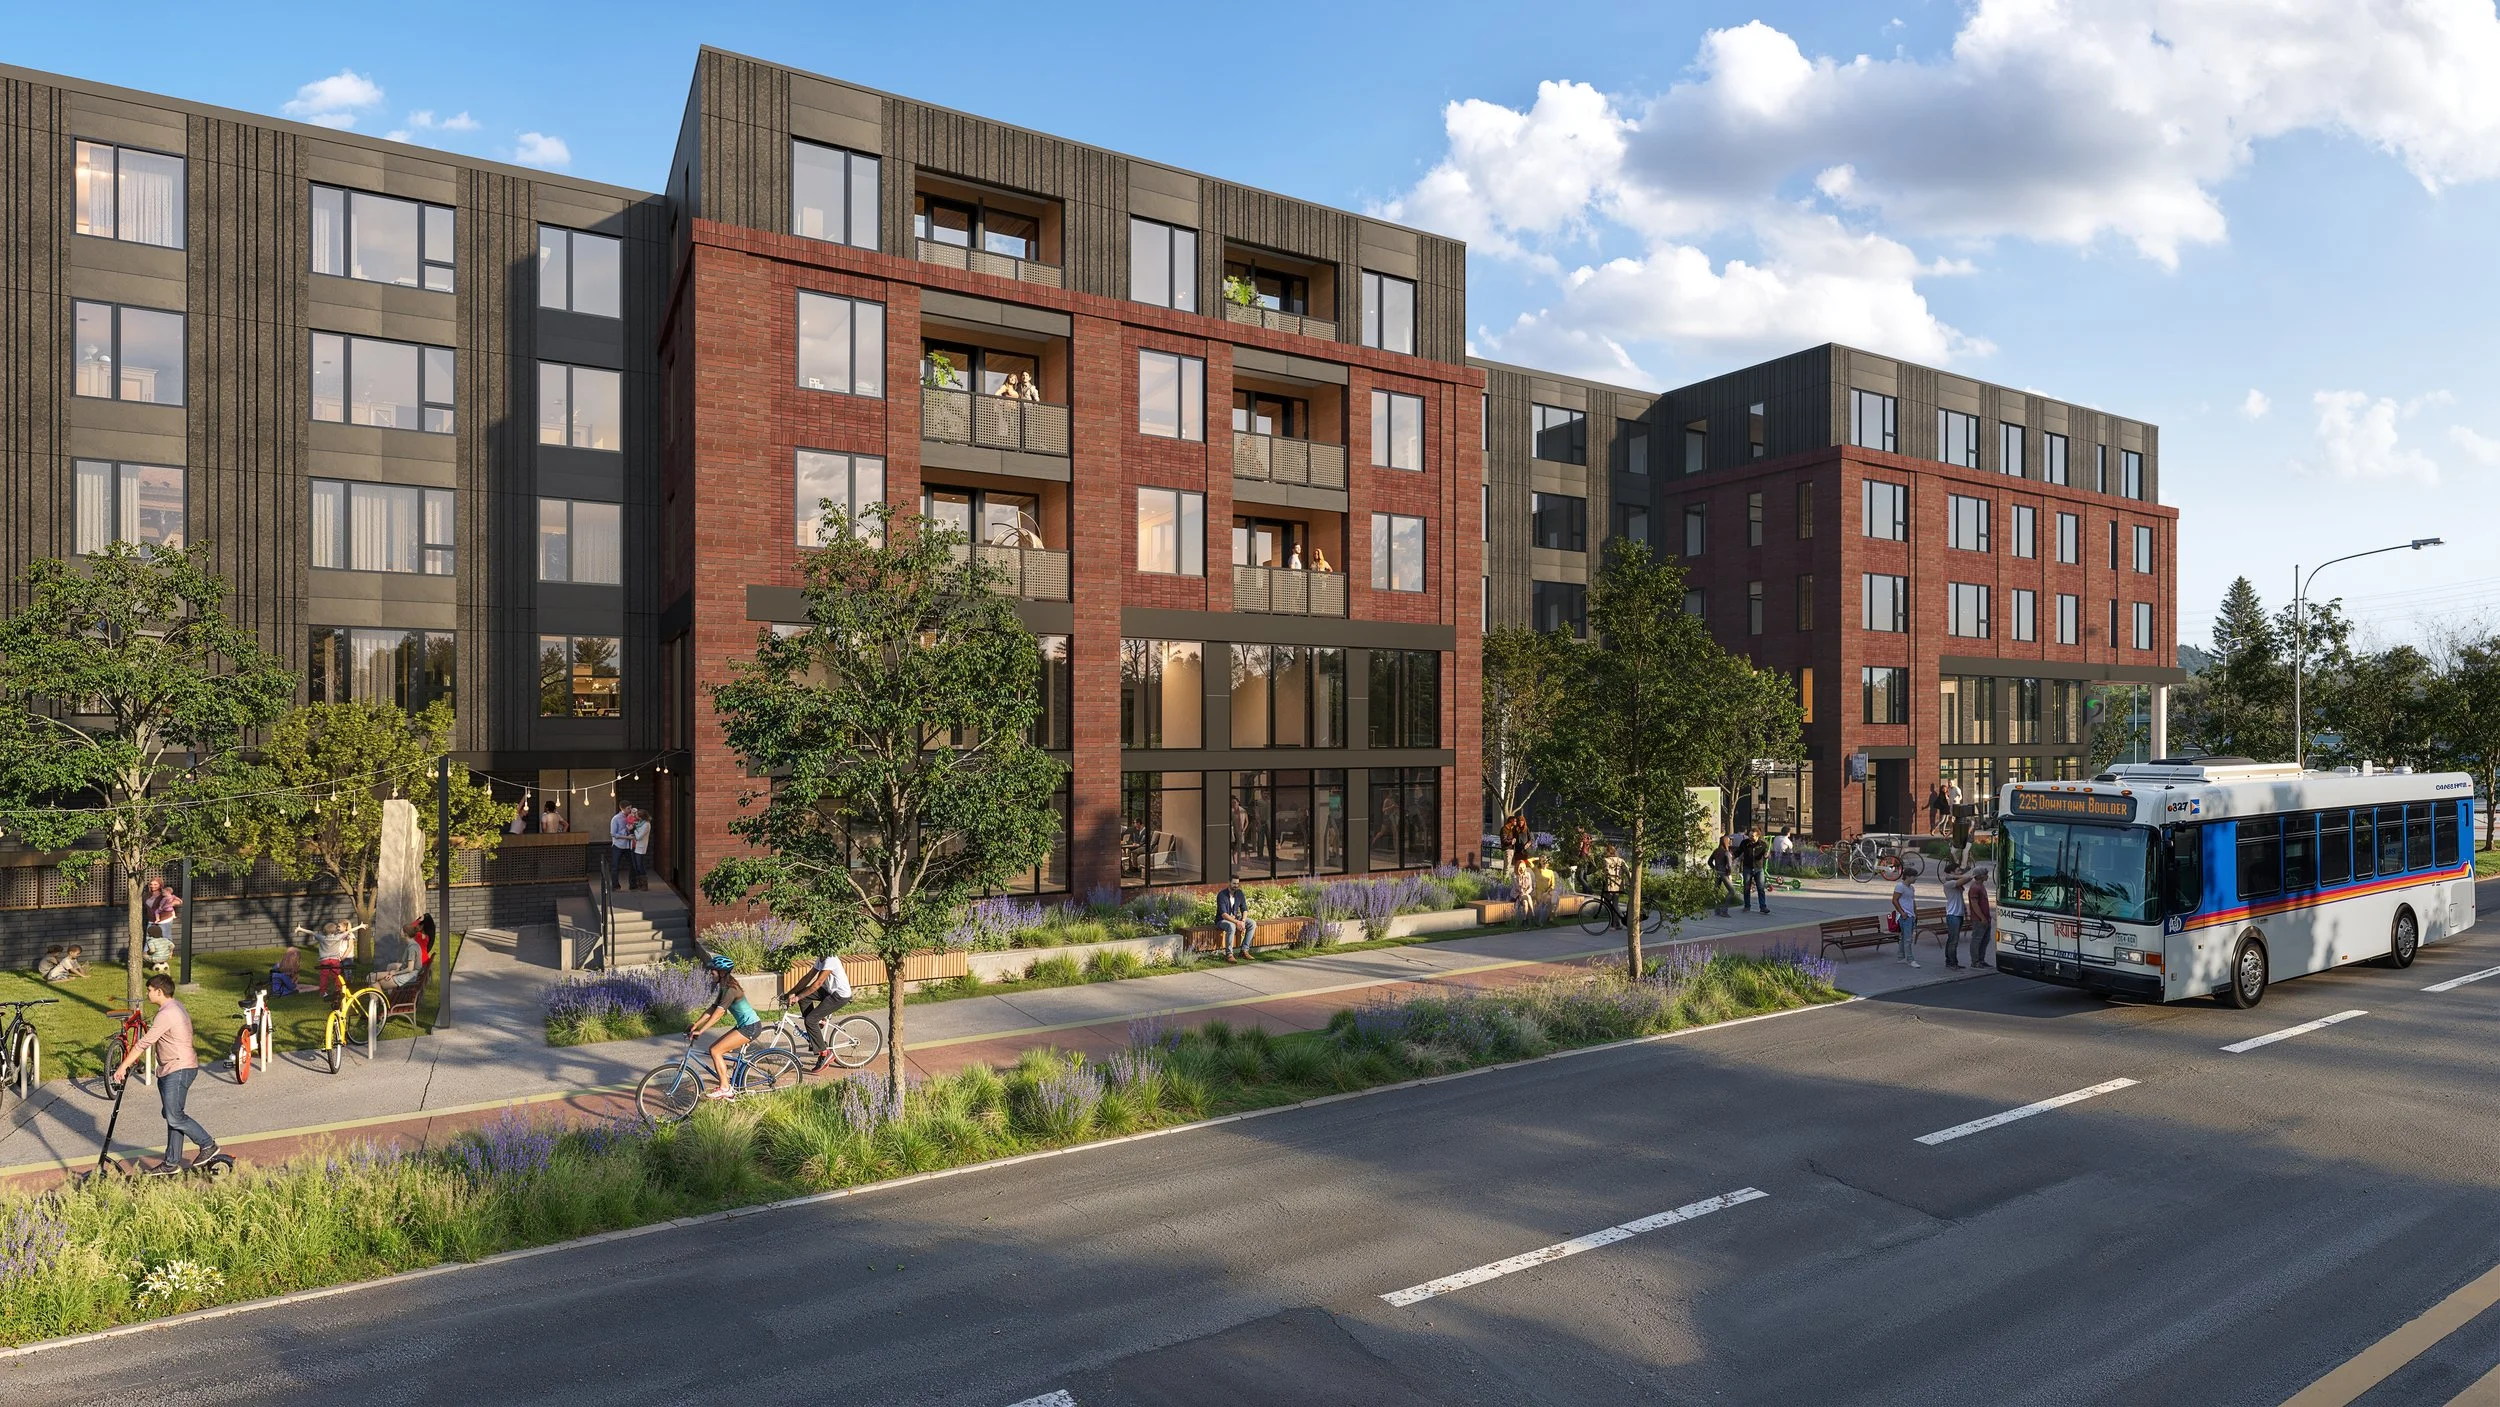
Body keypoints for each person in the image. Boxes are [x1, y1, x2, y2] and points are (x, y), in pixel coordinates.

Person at [110, 973, 218, 1173]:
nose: (147, 993)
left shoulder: (167, 1013)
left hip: (179, 1068)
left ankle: (207, 1144)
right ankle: (171, 1163)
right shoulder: (176, 1007)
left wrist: (123, 1065)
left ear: (159, 991)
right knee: (173, 1115)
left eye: (150, 990)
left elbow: (144, 1042)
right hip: (174, 1067)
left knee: (174, 1116)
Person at [685, 954, 762, 1100]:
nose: (710, 973)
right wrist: (696, 1024)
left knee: (715, 1051)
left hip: (750, 1027)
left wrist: (701, 1031)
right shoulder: (724, 986)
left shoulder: (730, 990)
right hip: (745, 1025)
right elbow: (713, 1008)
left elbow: (719, 1014)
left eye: (712, 971)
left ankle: (725, 1088)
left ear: (721, 972)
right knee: (715, 1049)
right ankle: (727, 1081)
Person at [784, 949, 856, 1050]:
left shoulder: (831, 959)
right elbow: (808, 977)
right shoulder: (822, 958)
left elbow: (818, 983)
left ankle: (823, 1053)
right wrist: (792, 992)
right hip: (828, 991)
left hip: (839, 995)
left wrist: (797, 997)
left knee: (810, 1020)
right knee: (803, 998)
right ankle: (817, 1026)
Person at [1215, 878, 1256, 962]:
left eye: (1237, 884)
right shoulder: (1222, 895)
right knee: (1231, 926)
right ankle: (1229, 954)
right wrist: (1238, 922)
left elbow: (1244, 909)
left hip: (1235, 918)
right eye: (1234, 883)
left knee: (1252, 923)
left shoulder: (1239, 893)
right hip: (1222, 920)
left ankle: (1244, 950)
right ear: (1229, 883)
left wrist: (1243, 921)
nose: (1236, 886)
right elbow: (1224, 914)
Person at [1965, 867, 1995, 968]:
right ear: (1981, 876)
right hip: (1979, 919)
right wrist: (1982, 917)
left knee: (1985, 939)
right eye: (1986, 874)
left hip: (1986, 918)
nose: (1987, 876)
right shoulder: (1975, 888)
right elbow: (1974, 904)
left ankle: (1981, 960)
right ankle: (1975, 961)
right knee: (1977, 940)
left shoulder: (1981, 886)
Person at [1891, 869, 1921, 968]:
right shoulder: (1900, 886)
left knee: (1904, 937)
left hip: (1911, 915)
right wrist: (1902, 912)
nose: (1915, 878)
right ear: (1908, 876)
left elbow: (1912, 901)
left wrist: (1916, 913)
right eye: (1914, 876)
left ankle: (1901, 957)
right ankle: (1910, 959)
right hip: (1905, 916)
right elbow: (1894, 900)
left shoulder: (1911, 888)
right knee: (1908, 938)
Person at [1740, 828, 1772, 915]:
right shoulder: (1745, 843)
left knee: (1760, 888)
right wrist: (1732, 857)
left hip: (1759, 868)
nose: (1750, 837)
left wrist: (1766, 855)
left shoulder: (1762, 844)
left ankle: (1763, 907)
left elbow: (1766, 854)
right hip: (1747, 867)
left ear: (1757, 836)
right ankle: (1747, 906)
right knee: (1746, 887)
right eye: (1749, 835)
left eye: (1752, 836)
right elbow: (1739, 851)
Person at [1941, 867, 1967, 969]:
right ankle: (1951, 962)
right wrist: (1953, 877)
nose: (1960, 872)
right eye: (1958, 870)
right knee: (1953, 940)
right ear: (1951, 872)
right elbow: (1966, 877)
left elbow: (1966, 879)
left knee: (1952, 939)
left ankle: (1951, 960)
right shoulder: (1948, 884)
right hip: (1953, 915)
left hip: (1958, 914)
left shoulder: (1957, 884)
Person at [608, 805, 635, 889]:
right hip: (618, 845)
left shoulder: (631, 817)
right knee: (615, 866)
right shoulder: (616, 818)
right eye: (628, 808)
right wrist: (627, 837)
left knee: (633, 864)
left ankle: (633, 885)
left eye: (630, 808)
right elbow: (613, 834)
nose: (630, 810)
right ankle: (615, 885)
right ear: (622, 808)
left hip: (628, 845)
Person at [1707, 836, 1735, 917]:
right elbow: (1729, 866)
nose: (1730, 843)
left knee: (1716, 892)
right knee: (1732, 891)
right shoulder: (1727, 852)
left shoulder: (1716, 851)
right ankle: (1724, 910)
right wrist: (1729, 874)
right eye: (1729, 841)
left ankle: (1717, 910)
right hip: (1724, 874)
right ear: (1726, 842)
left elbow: (1709, 862)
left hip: (1717, 873)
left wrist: (1714, 868)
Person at [1531, 854, 1560, 925]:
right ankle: (1550, 918)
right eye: (1543, 861)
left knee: (1554, 897)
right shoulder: (1536, 869)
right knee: (1553, 899)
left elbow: (1553, 885)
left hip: (1548, 892)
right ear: (1540, 862)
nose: (1544, 862)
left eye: (1546, 861)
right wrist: (1538, 857)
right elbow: (1528, 861)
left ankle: (1550, 918)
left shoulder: (1550, 872)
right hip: (1539, 893)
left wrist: (1548, 891)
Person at [631, 809, 653, 890]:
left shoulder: (646, 825)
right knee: (636, 865)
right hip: (635, 846)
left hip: (640, 847)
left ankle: (644, 884)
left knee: (640, 865)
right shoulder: (640, 823)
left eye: (637, 815)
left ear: (641, 817)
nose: (635, 816)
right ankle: (639, 883)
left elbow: (639, 837)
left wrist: (634, 830)